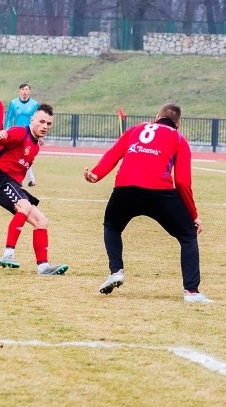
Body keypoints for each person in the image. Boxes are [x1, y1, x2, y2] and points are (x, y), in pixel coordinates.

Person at [83, 103, 212, 303]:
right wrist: (193, 215)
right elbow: (183, 182)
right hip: (159, 192)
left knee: (112, 226)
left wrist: (96, 174)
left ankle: (116, 271)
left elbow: (113, 154)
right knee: (188, 236)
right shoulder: (179, 139)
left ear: (156, 117)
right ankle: (192, 292)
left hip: (125, 189)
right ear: (178, 123)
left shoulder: (135, 129)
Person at [0, 103, 68, 275]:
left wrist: (0, 194)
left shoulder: (36, 146)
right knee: (25, 206)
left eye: (48, 124)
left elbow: (18, 171)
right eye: (41, 122)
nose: (45, 126)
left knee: (41, 221)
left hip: (10, 184)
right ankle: (8, 254)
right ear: (32, 120)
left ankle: (43, 267)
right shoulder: (19, 132)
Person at [6, 83, 41, 186]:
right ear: (19, 91)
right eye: (23, 89)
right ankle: (26, 179)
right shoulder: (13, 103)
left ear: (29, 91)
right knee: (17, 155)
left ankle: (28, 179)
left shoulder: (34, 104)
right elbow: (9, 118)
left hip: (30, 133)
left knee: (27, 155)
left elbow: (38, 119)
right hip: (17, 133)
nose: (25, 91)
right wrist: (7, 131)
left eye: (26, 89)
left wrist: (39, 134)